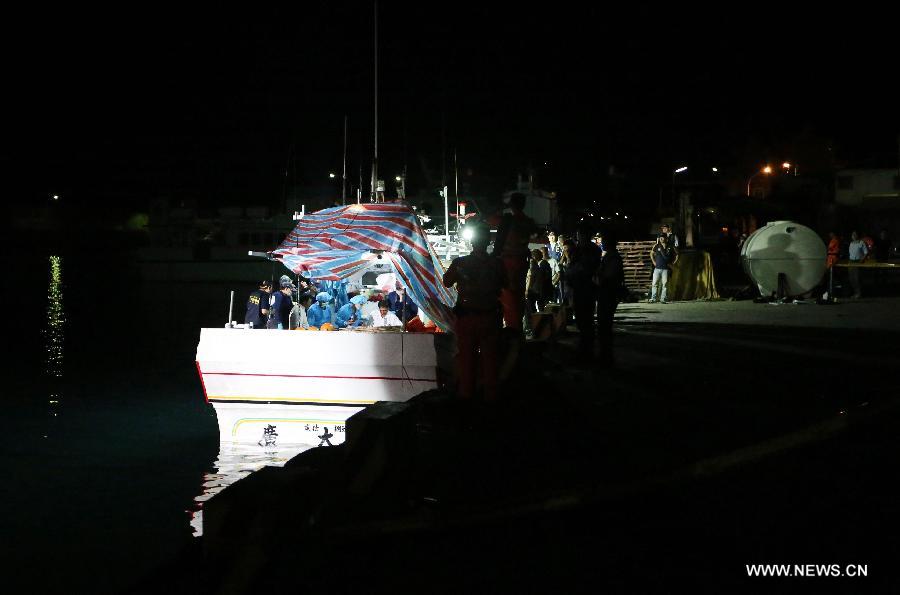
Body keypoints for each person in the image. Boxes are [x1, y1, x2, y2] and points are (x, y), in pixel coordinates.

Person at [443, 223, 507, 402]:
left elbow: (447, 282)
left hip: (467, 317)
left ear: (471, 242)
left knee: (466, 360)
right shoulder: (497, 264)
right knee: (491, 360)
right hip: (490, 317)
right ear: (488, 241)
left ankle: (466, 397)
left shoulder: (460, 263)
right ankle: (491, 399)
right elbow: (505, 284)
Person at [490, 192, 538, 331]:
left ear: (511, 204)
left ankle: (512, 330)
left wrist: (503, 207)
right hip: (522, 262)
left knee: (508, 296)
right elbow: (535, 232)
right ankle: (517, 328)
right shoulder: (528, 221)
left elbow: (491, 220)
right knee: (518, 296)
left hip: (508, 262)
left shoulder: (508, 220)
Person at [565, 227, 602, 362]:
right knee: (582, 320)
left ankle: (587, 351)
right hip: (579, 288)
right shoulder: (581, 249)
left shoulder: (589, 250)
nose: (579, 237)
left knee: (585, 320)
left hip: (585, 288)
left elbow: (586, 268)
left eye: (580, 235)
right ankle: (585, 349)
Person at [594, 234, 625, 368]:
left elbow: (609, 276)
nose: (602, 243)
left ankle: (606, 356)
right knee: (604, 326)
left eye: (604, 241)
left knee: (605, 325)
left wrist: (598, 274)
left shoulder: (613, 257)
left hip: (608, 293)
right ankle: (605, 354)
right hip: (607, 293)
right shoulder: (611, 256)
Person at [649, 234, 676, 303]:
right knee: (654, 283)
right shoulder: (656, 246)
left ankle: (663, 298)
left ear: (666, 238)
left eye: (663, 238)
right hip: (657, 268)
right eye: (660, 238)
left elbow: (677, 254)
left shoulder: (670, 246)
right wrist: (653, 262)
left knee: (665, 284)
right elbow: (651, 253)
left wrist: (673, 263)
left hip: (665, 269)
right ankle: (653, 298)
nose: (661, 239)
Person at [848, 230, 868, 298]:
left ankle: (859, 293)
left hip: (857, 262)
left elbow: (866, 252)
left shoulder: (861, 242)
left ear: (857, 235)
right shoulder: (851, 243)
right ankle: (855, 293)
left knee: (857, 278)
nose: (853, 235)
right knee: (851, 278)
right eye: (852, 234)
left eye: (854, 234)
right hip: (851, 262)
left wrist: (862, 259)